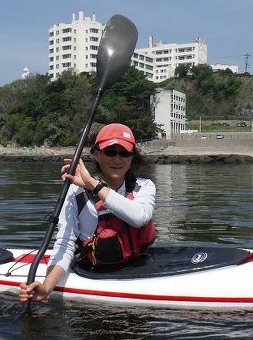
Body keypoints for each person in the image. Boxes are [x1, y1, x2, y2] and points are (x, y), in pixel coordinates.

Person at [19, 123, 156, 303]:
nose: (117, 159)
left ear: (132, 157)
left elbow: (139, 218)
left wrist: (93, 184)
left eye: (124, 153)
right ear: (96, 155)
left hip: (137, 266)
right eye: (110, 152)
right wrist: (46, 287)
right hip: (93, 271)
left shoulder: (144, 186)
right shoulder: (75, 192)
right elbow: (65, 244)